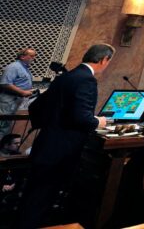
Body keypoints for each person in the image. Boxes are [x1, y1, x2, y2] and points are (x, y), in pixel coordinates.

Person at [18, 44, 114, 229]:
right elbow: (81, 117)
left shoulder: (68, 76)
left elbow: (38, 106)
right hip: (61, 150)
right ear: (103, 60)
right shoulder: (87, 80)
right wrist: (98, 122)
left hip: (47, 143)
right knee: (42, 200)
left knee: (33, 199)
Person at [0, 48, 35, 138]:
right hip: (8, 100)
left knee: (6, 126)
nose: (34, 58)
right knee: (2, 126)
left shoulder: (25, 68)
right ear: (22, 56)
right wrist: (23, 92)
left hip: (15, 100)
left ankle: (3, 149)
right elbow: (5, 83)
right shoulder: (14, 67)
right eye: (31, 56)